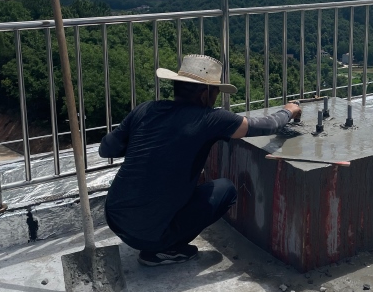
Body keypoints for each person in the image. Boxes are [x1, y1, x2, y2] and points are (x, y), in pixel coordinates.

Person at [99, 54, 302, 267]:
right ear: (205, 94)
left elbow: (106, 149)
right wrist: (288, 110)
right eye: (215, 92)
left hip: (115, 217)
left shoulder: (145, 109)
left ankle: (154, 235)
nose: (216, 98)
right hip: (148, 235)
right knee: (225, 190)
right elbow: (265, 125)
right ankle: (161, 250)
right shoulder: (210, 119)